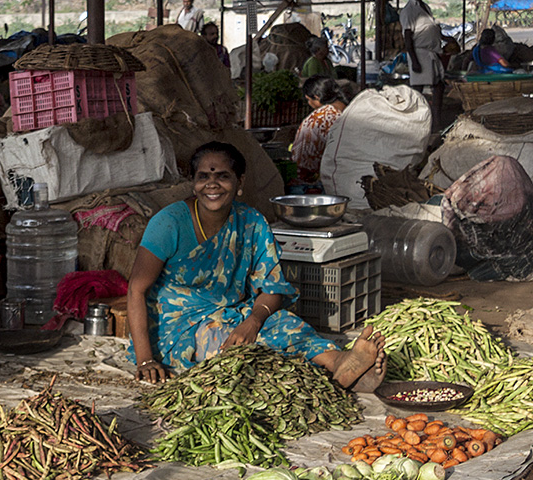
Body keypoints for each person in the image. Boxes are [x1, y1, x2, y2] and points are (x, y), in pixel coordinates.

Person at [126, 141, 386, 390]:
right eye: (203, 177)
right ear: (194, 184)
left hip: (235, 311)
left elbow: (272, 288)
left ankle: (340, 363)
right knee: (243, 349)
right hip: (180, 327)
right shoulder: (169, 223)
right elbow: (136, 290)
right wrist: (146, 360)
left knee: (286, 323)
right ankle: (338, 369)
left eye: (223, 176)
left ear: (239, 183)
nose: (212, 184)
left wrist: (253, 320)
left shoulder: (251, 222)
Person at [400, 0, 444, 125]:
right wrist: (414, 61)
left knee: (438, 85)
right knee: (417, 89)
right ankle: (415, 121)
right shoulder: (408, 11)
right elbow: (407, 37)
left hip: (431, 53)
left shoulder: (425, 7)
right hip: (420, 53)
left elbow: (429, 28)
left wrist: (444, 38)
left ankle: (436, 120)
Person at [292, 76, 348, 183]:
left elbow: (301, 159)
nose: (309, 104)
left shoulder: (318, 119)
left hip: (320, 180)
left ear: (317, 97)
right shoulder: (349, 110)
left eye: (308, 100)